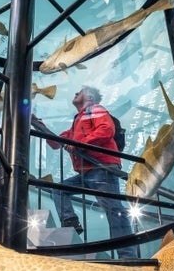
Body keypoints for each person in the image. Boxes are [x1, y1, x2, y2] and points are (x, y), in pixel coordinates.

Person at [37, 86, 138, 259]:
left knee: (114, 209)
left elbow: (106, 130)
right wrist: (40, 127)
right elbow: (57, 143)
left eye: (80, 91)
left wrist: (79, 143)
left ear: (89, 97)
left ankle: (128, 255)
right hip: (88, 170)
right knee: (60, 189)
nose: (75, 93)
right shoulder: (78, 121)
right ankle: (70, 222)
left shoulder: (96, 110)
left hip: (102, 167)